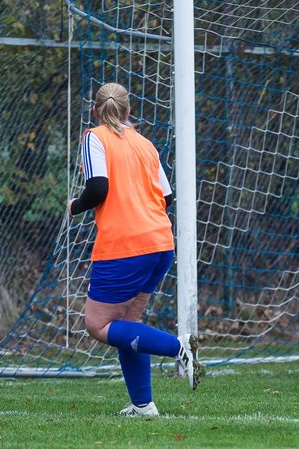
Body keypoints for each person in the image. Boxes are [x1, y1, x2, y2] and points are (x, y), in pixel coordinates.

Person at [68, 82, 201, 417]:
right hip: (160, 243)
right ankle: (143, 404)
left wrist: (75, 206)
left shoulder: (93, 137)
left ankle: (178, 347)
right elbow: (167, 197)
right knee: (128, 321)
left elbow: (98, 187)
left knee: (98, 325)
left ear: (95, 111)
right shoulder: (144, 144)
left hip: (124, 246)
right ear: (128, 111)